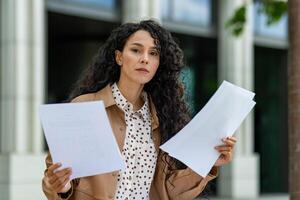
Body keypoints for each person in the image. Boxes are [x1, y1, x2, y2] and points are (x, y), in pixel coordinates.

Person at [42, 19, 237, 200]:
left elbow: (167, 191)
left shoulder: (161, 117)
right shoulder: (84, 107)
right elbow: (57, 179)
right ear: (119, 57)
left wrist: (208, 161)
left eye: (153, 53)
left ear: (158, 63)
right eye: (136, 50)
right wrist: (61, 187)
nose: (145, 59)